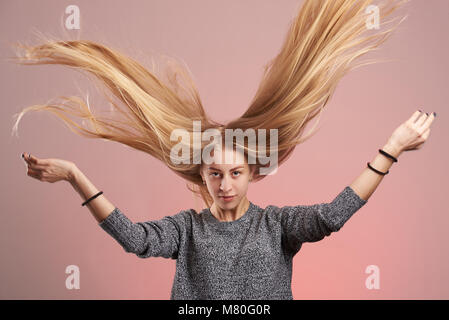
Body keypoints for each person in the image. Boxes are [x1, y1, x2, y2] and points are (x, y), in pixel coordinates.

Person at [15, 0, 436, 299]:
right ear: (202, 175)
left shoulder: (277, 226)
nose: (225, 184)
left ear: (254, 173)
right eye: (215, 173)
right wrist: (74, 176)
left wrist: (391, 148)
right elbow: (136, 240)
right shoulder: (186, 229)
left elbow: (331, 215)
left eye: (236, 173)